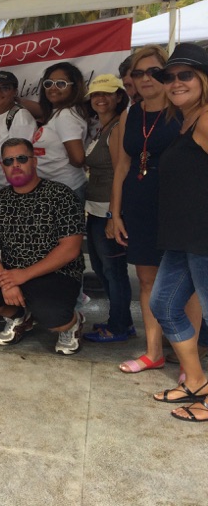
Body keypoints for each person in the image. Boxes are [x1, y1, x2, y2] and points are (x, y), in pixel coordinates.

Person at [109, 45, 201, 374]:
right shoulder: (130, 114)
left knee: (186, 287)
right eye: (138, 73)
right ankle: (153, 352)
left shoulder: (184, 111)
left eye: (153, 72)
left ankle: (187, 360)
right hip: (139, 204)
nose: (146, 78)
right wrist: (115, 212)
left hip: (177, 206)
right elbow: (122, 165)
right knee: (147, 280)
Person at [0, 138, 86, 355]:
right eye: (8, 161)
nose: (15, 165)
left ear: (34, 161)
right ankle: (19, 316)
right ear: (2, 167)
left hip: (56, 273)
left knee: (53, 317)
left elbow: (70, 248)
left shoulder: (61, 195)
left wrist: (24, 275)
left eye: (21, 158)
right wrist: (5, 281)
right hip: (11, 271)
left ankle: (73, 323)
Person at [148, 44, 208, 421]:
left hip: (203, 237)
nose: (175, 82)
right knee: (165, 306)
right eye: (168, 77)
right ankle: (197, 382)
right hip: (184, 238)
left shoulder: (205, 119)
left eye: (185, 75)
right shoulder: (187, 120)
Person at [79, 74, 134, 343]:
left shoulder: (117, 127)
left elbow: (119, 173)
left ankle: (120, 326)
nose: (100, 99)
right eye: (96, 94)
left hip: (108, 211)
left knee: (114, 272)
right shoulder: (102, 127)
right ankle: (121, 321)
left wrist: (114, 215)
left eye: (107, 93)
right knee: (103, 270)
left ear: (119, 96)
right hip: (96, 209)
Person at [33, 62, 89, 201]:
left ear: (74, 87)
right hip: (57, 189)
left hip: (66, 190)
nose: (53, 88)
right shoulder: (59, 112)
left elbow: (78, 159)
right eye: (48, 83)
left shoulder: (65, 116)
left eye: (61, 84)